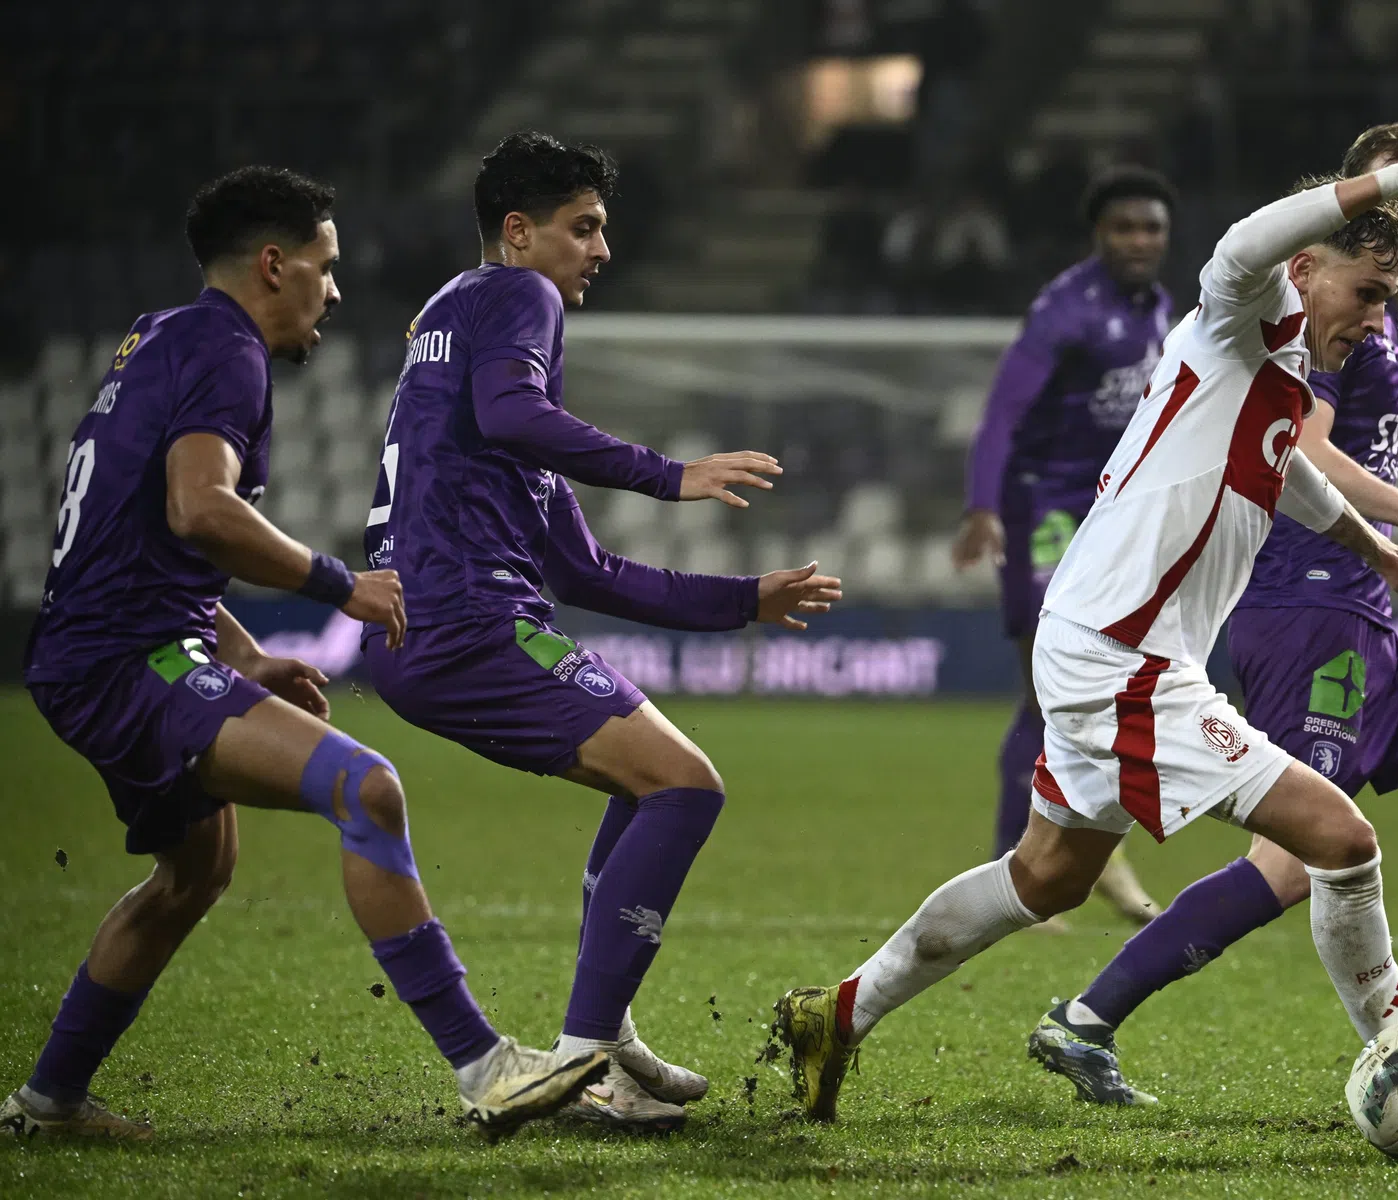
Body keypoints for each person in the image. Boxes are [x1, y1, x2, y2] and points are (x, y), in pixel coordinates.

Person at [776, 160, 1398, 1122]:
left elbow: (1286, 469)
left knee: (1046, 875)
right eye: (1368, 294)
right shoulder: (1235, 306)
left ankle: (836, 1012)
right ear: (1305, 269)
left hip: (1112, 640)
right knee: (1342, 839)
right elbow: (1251, 235)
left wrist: (1383, 554)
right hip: (1124, 653)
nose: (1376, 320)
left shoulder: (1283, 370)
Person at [1033, 120, 1398, 1113]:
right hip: (1305, 607)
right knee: (1298, 856)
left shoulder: (1382, 314)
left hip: (1367, 622)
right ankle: (1087, 1017)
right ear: (1354, 208)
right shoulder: (1322, 318)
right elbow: (1298, 445)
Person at [4, 168, 604, 1143]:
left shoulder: (159, 338)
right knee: (364, 789)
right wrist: (340, 585)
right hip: (127, 662)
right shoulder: (227, 351)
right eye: (325, 270)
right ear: (273, 265)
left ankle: (47, 1103)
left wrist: (238, 651)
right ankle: (485, 1066)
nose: (335, 291)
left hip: (107, 646)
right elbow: (201, 508)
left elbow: (153, 536)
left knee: (195, 874)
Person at [361, 132, 841, 1134]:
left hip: (426, 621)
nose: (600, 251)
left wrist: (743, 601)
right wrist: (670, 474)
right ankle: (589, 1055)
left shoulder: (448, 328)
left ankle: (605, 1032)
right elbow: (515, 411)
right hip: (469, 619)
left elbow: (587, 572)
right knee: (687, 784)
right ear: (519, 232)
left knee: (652, 779)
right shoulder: (513, 300)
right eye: (584, 228)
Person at [952, 166, 1179, 928]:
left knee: (1103, 686)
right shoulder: (1065, 311)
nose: (1140, 240)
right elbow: (1002, 412)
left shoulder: (1160, 310)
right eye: (1125, 228)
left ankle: (1086, 855)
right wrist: (983, 507)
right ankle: (1025, 866)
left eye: (1151, 227)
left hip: (1110, 517)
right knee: (1048, 689)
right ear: (1099, 236)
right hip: (1042, 513)